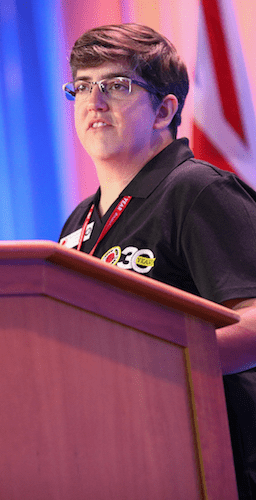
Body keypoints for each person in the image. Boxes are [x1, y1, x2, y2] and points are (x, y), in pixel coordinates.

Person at [59, 23, 256, 499]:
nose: (94, 101)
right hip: (115, 457)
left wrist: (146, 358)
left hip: (211, 463)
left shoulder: (198, 191)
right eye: (82, 86)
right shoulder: (78, 222)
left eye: (117, 86)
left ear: (164, 109)